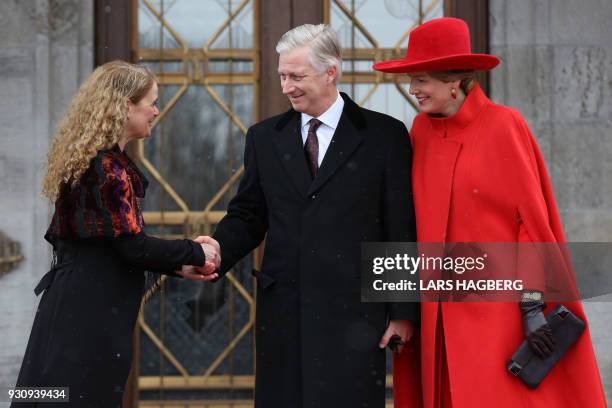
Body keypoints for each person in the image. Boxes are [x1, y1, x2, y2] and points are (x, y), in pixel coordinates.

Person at [373, 17, 606, 407]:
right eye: (411, 80)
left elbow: (530, 225)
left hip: (498, 314)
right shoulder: (420, 131)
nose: (413, 89)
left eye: (422, 80)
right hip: (437, 314)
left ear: (455, 80)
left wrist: (532, 307)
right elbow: (408, 223)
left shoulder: (503, 125)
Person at [203, 24, 419, 407]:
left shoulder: (384, 135)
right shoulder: (264, 137)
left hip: (354, 315)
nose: (287, 86)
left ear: (331, 72)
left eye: (297, 76)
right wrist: (215, 249)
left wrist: (402, 311)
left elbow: (399, 227)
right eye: (283, 75)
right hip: (283, 312)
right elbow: (249, 215)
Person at [12, 60, 219, 408]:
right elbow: (131, 248)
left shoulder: (100, 162)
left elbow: (113, 249)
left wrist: (181, 266)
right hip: (86, 315)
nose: (156, 111)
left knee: (52, 397)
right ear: (125, 106)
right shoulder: (105, 168)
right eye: (151, 102)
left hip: (79, 308)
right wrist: (196, 253)